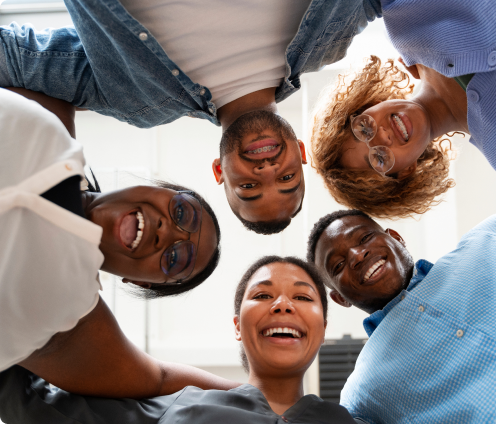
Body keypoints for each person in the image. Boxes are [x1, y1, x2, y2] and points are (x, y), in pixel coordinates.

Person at [0, 0, 382, 233]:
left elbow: (16, 59)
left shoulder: (136, 99)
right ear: (300, 151)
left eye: (248, 187)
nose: (266, 170)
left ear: (219, 171)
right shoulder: (329, 41)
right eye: (286, 178)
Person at [0, 87, 235, 397]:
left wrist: (269, 401)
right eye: (181, 211)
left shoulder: (64, 311)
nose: (169, 232)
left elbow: (158, 378)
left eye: (177, 259)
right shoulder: (47, 128)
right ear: (154, 187)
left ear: (141, 281)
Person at [0, 256, 368, 424]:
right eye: (262, 295)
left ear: (321, 328)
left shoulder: (349, 420)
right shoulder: (181, 407)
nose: (283, 305)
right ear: (238, 326)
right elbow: (28, 401)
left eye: (303, 298)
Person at [306, 188, 496, 422]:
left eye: (364, 238)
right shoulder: (362, 395)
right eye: (339, 264)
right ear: (340, 298)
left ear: (396, 237)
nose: (357, 255)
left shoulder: (489, 239)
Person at [310, 0, 496, 218]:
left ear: (367, 107)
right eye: (379, 159)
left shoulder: (404, 19)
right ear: (406, 171)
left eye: (364, 130)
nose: (383, 137)